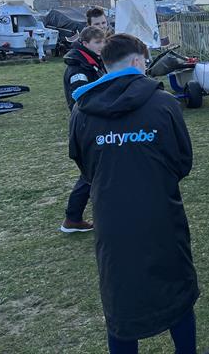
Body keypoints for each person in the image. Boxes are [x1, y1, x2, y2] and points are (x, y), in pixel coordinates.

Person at [69, 34, 201, 354]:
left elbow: (86, 167)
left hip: (112, 221)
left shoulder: (82, 112)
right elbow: (182, 161)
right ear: (139, 62)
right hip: (161, 216)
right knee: (176, 291)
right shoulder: (164, 104)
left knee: (120, 298)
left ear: (106, 64)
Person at [59, 25, 106, 233]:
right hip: (87, 125)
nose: (101, 46)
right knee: (90, 174)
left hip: (91, 123)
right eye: (97, 43)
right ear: (85, 44)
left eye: (103, 42)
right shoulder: (79, 68)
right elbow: (81, 98)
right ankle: (72, 218)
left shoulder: (91, 63)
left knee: (93, 173)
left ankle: (74, 217)